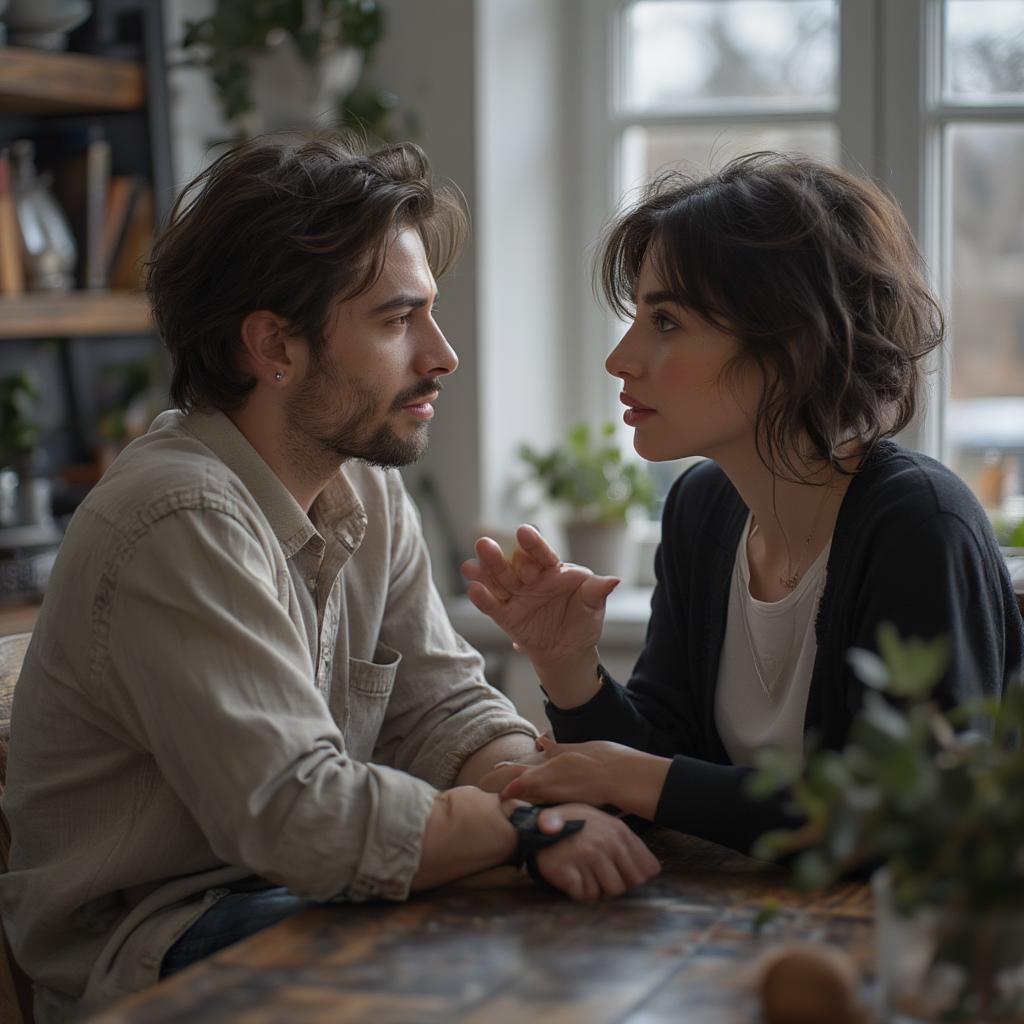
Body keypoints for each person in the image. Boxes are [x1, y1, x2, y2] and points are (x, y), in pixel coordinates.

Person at [0, 135, 659, 1024]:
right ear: (276, 345)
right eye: (397, 321)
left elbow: (441, 710)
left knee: (578, 936)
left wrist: (543, 790)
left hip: (301, 890)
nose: (442, 354)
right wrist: (525, 828)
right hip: (162, 941)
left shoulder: (363, 487)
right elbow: (299, 815)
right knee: (498, 976)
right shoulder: (178, 516)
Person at [463, 152, 1024, 856]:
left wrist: (636, 776)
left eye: (665, 321)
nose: (622, 359)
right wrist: (566, 666)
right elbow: (658, 769)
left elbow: (911, 817)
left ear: (790, 342)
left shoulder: (918, 524)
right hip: (741, 935)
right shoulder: (702, 510)